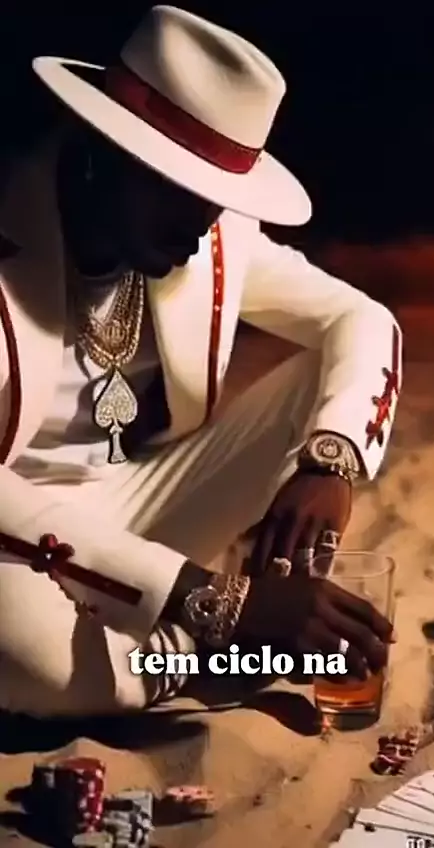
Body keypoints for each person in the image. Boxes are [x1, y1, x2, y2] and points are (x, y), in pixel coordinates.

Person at [0, 5, 401, 717]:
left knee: (327, 385)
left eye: (216, 199)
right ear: (105, 149)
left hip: (144, 507)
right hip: (15, 539)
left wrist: (331, 463)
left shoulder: (211, 234)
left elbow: (363, 319)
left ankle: (185, 634)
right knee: (39, 661)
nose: (199, 227)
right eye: (178, 190)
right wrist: (214, 600)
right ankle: (196, 656)